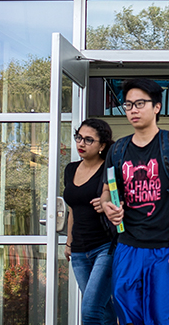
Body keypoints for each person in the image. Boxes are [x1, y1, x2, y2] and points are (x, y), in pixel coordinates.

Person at [102, 79, 169, 325]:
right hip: (128, 246)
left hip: (166, 248)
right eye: (128, 105)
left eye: (140, 103)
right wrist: (107, 207)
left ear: (156, 107)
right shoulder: (118, 150)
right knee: (127, 315)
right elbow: (106, 192)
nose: (133, 110)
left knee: (165, 316)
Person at [64, 118, 118, 325]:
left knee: (90, 311)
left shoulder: (110, 170)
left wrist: (108, 200)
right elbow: (72, 209)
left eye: (88, 140)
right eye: (79, 138)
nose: (81, 144)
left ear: (102, 145)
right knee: (103, 310)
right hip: (79, 251)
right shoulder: (70, 169)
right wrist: (69, 242)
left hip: (105, 247)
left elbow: (124, 201)